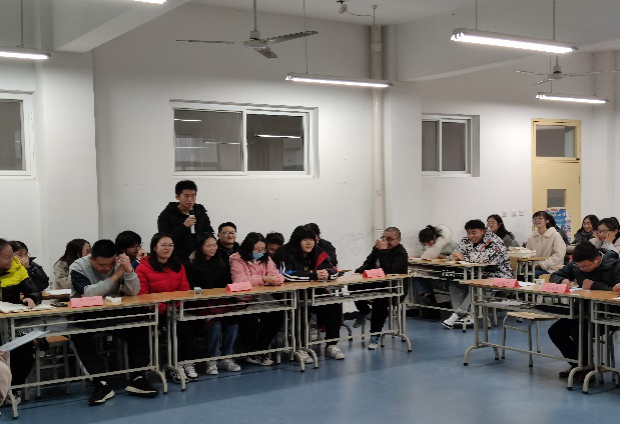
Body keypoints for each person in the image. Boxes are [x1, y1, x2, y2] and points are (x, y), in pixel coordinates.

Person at [69, 239, 159, 406]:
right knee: (79, 334)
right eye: (102, 265)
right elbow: (89, 294)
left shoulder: (119, 263)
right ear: (91, 258)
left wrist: (129, 270)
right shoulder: (78, 266)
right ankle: (101, 383)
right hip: (85, 313)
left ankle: (138, 377)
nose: (107, 268)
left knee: (140, 326)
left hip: (113, 311)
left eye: (111, 264)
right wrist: (117, 274)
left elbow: (133, 292)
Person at [548, 242, 619, 380]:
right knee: (555, 331)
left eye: (586, 266)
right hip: (583, 311)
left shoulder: (615, 265)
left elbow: (617, 291)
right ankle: (577, 365)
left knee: (579, 330)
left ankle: (586, 368)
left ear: (597, 259)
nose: (582, 269)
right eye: (579, 266)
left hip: (609, 313)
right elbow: (555, 275)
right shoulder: (577, 264)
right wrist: (561, 281)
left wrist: (595, 285)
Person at [273, 225, 344, 360]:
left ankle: (331, 345)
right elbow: (286, 275)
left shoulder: (318, 251)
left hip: (313, 294)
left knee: (334, 305)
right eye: (305, 240)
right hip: (289, 296)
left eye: (311, 239)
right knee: (299, 310)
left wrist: (327, 274)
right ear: (297, 240)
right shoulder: (284, 252)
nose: (309, 243)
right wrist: (313, 275)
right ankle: (299, 348)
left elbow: (334, 270)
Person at [136, 234, 197, 383]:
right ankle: (174, 366)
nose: (167, 248)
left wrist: (176, 307)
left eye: (170, 245)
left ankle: (186, 362)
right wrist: (165, 308)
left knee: (187, 323)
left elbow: (184, 290)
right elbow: (143, 297)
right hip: (155, 312)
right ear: (154, 247)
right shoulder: (143, 268)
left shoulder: (178, 266)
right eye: (163, 245)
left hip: (176, 309)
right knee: (173, 327)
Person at [230, 233, 288, 365]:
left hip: (263, 298)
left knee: (278, 315)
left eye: (263, 249)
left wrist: (274, 279)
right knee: (249, 318)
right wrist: (263, 279)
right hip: (243, 299)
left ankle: (260, 349)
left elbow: (278, 275)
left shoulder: (266, 259)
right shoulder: (236, 259)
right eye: (257, 249)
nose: (260, 252)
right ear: (248, 248)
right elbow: (240, 280)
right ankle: (249, 350)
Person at [186, 234, 240, 376]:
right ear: (200, 247)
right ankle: (212, 359)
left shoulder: (221, 262)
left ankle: (226, 356)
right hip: (200, 303)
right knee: (214, 324)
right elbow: (191, 287)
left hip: (220, 301)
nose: (213, 248)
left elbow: (227, 283)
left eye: (214, 245)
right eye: (208, 246)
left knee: (233, 320)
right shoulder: (191, 264)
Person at [443, 220, 512, 329]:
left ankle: (459, 315)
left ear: (483, 231)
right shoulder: (466, 240)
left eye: (474, 233)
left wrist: (464, 257)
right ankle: (463, 316)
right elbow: (456, 253)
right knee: (455, 285)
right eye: (468, 232)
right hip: (476, 275)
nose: (471, 236)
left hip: (499, 276)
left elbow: (484, 258)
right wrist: (455, 256)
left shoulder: (494, 241)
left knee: (476, 286)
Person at [0, 238, 42, 406]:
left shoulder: (18, 268)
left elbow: (35, 291)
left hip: (13, 323)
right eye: (6, 258)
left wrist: (32, 298)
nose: (12, 260)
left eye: (12, 256)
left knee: (24, 354)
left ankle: (14, 388)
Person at [353, 227, 408, 349]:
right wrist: (358, 272)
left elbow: (388, 270)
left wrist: (383, 251)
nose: (386, 241)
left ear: (399, 240)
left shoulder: (401, 253)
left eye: (390, 239)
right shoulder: (377, 248)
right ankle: (364, 310)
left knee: (380, 300)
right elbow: (368, 263)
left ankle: (375, 335)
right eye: (384, 238)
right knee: (353, 285)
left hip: (395, 288)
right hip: (378, 284)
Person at [157, 180, 213, 262]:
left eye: (193, 196)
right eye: (186, 196)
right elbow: (164, 239)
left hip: (199, 258)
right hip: (176, 259)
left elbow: (208, 234)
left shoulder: (201, 213)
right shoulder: (167, 215)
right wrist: (183, 227)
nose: (190, 199)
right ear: (177, 197)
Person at [414, 225, 458, 317]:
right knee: (417, 275)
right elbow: (424, 255)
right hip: (434, 272)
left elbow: (459, 256)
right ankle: (428, 299)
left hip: (448, 274)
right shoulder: (426, 246)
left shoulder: (450, 245)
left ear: (434, 237)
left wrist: (445, 257)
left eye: (429, 242)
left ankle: (431, 304)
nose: (428, 244)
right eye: (425, 243)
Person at [526, 211, 567, 277]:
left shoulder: (555, 235)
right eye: (535, 219)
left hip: (552, 268)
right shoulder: (532, 237)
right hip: (535, 267)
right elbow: (528, 253)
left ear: (547, 221)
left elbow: (559, 255)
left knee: (534, 274)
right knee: (519, 272)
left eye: (540, 218)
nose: (537, 220)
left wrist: (543, 265)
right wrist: (530, 264)